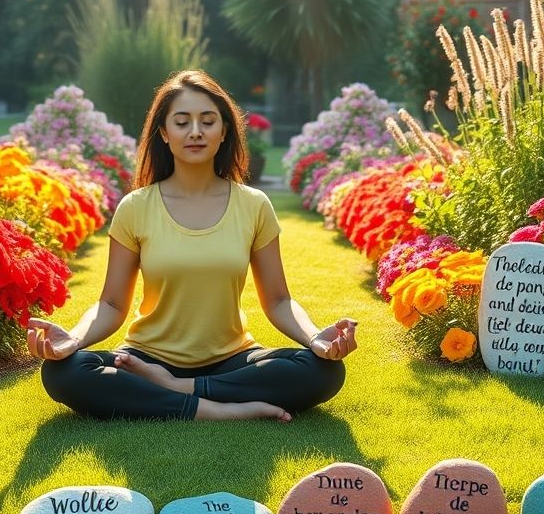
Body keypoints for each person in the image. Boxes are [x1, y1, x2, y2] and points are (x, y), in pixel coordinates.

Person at [28, 70, 357, 421]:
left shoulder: (254, 204)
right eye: (182, 122)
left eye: (207, 121)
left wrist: (315, 340)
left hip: (231, 360)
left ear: (224, 130)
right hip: (147, 357)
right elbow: (111, 303)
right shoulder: (136, 207)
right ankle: (213, 409)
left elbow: (278, 300)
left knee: (323, 371)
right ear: (165, 134)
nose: (196, 131)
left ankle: (182, 391)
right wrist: (74, 341)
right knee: (63, 372)